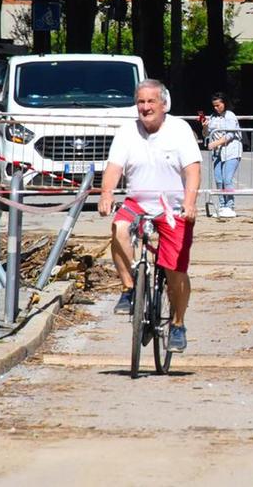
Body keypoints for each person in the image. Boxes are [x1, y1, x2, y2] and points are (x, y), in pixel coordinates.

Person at [99, 79, 201, 353]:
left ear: (164, 105)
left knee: (175, 270)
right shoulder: (127, 132)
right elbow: (114, 167)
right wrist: (106, 193)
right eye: (141, 102)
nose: (145, 108)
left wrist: (190, 203)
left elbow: (192, 170)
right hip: (139, 202)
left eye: (150, 102)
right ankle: (129, 288)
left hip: (173, 207)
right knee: (119, 227)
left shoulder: (179, 130)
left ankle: (178, 324)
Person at [201, 92, 243, 218]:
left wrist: (215, 143)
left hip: (231, 151)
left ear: (224, 103)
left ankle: (230, 206)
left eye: (218, 105)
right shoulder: (213, 117)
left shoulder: (230, 116)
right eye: (214, 106)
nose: (216, 108)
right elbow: (206, 134)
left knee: (227, 179)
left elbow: (230, 135)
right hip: (218, 153)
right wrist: (204, 127)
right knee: (219, 180)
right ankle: (222, 205)